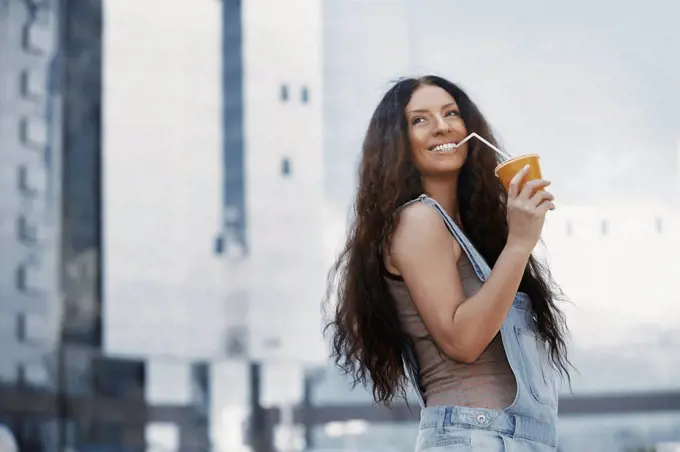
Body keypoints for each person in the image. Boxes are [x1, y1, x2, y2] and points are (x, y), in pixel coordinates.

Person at [325, 75, 571, 451]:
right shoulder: (418, 221)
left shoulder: (469, 232)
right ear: (398, 144)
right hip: (476, 437)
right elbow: (462, 342)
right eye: (420, 120)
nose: (442, 126)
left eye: (451, 113)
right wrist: (519, 244)